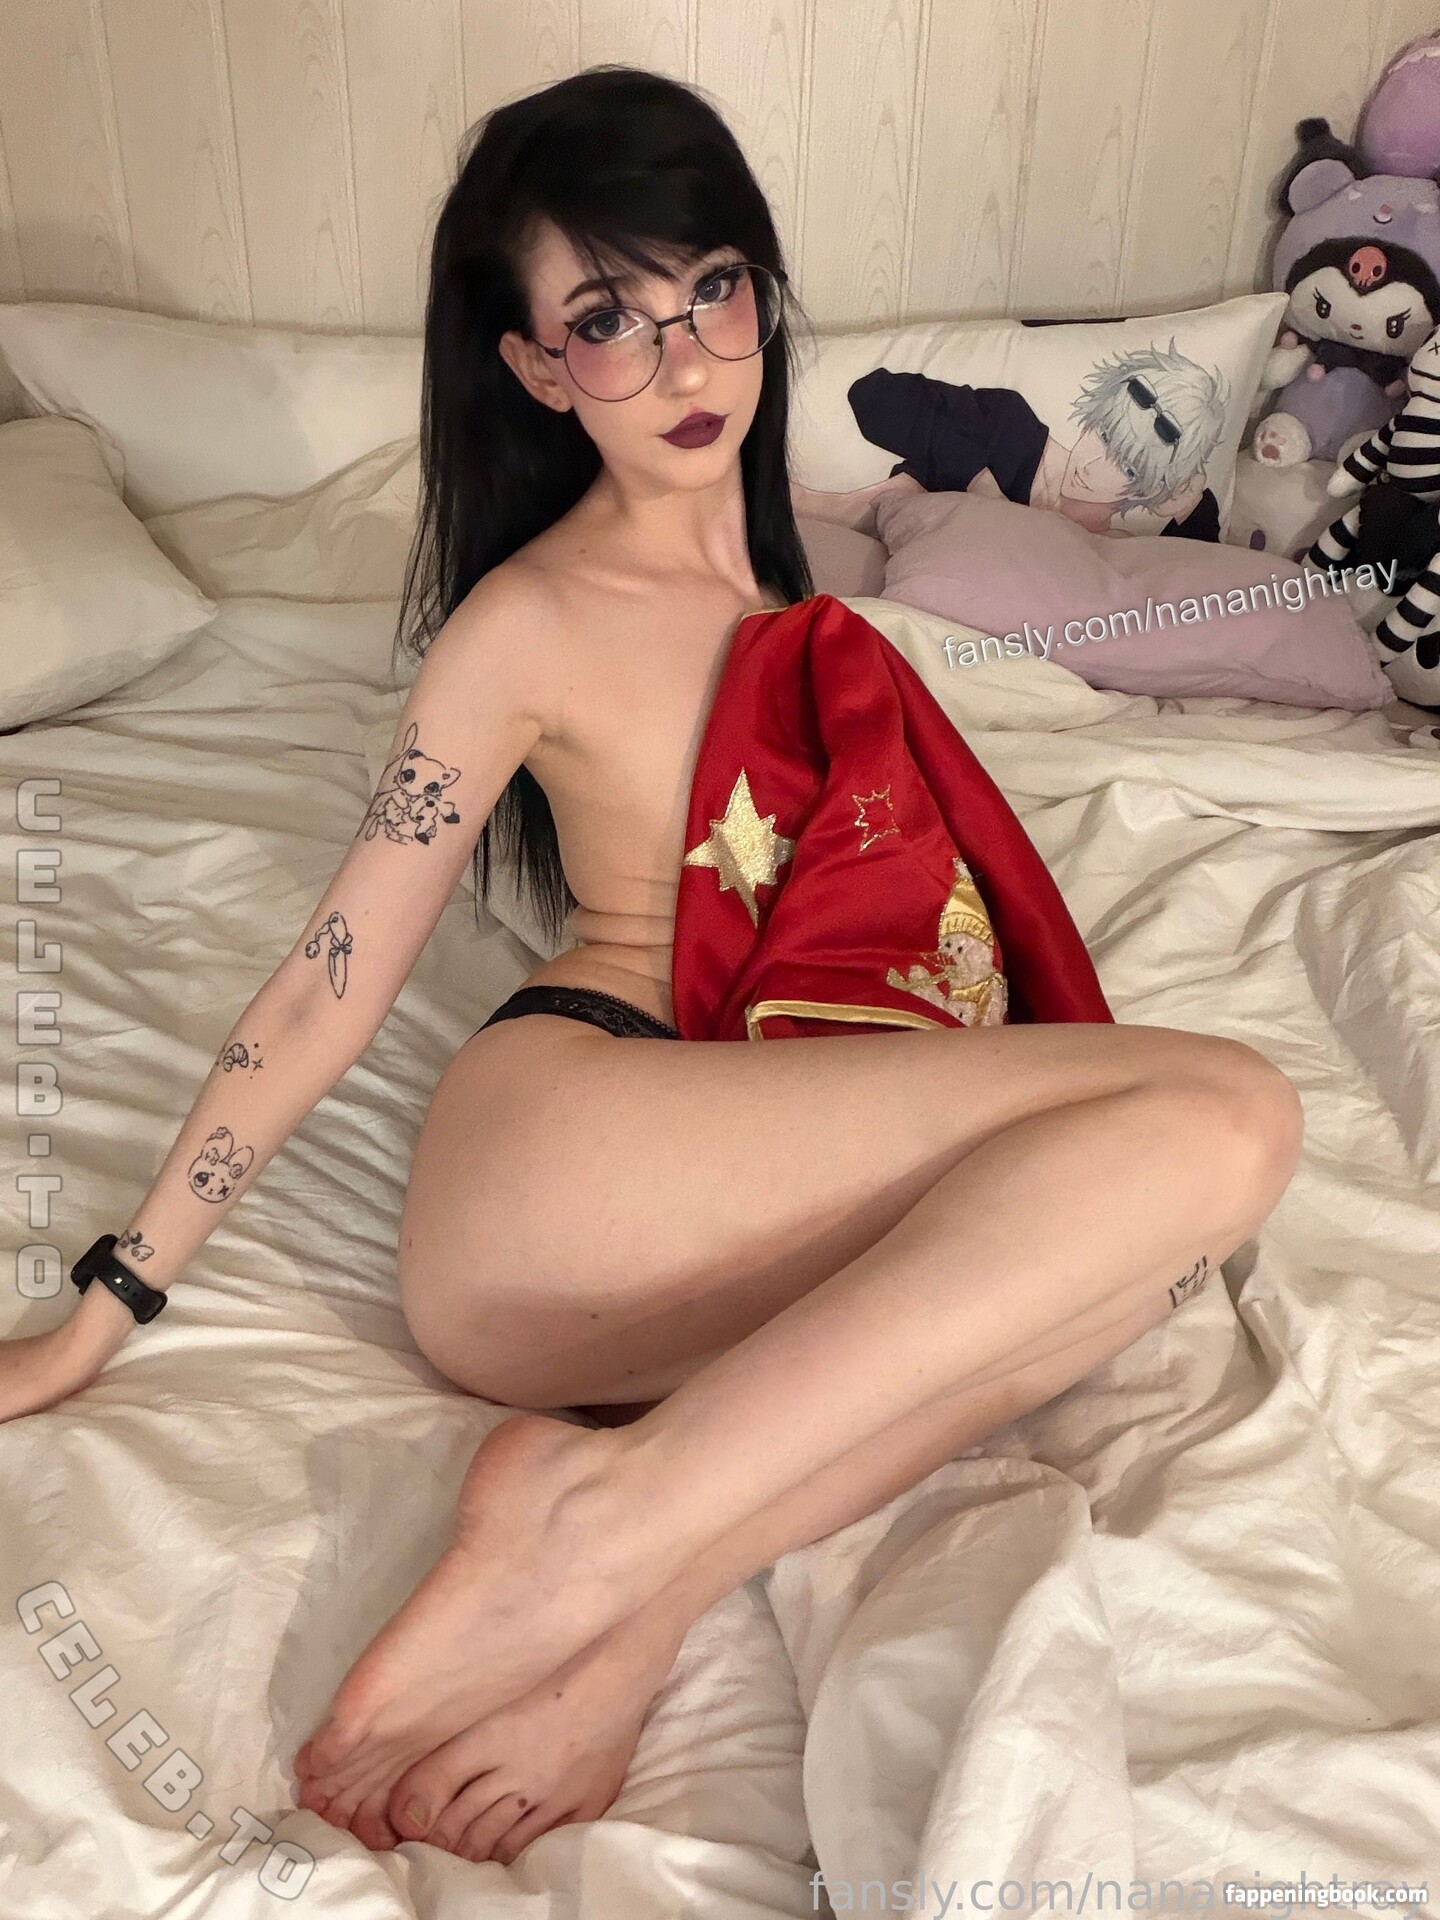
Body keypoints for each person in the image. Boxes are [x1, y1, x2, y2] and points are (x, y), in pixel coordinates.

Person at [1, 66, 1305, 1871]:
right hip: (558, 1157)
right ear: (537, 369)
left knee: (1115, 1274)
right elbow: (328, 975)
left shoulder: (796, 598)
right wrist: (111, 1299)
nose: (684, 359)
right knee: (1230, 1113)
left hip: (672, 1227)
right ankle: (599, 1522)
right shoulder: (529, 617)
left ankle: (634, 1595)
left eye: (713, 291)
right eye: (610, 319)